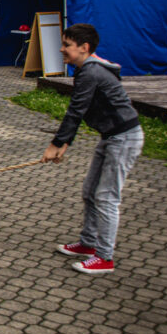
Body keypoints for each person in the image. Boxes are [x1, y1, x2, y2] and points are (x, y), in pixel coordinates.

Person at [43, 24, 143, 275]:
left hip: (124, 138)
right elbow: (81, 109)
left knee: (107, 197)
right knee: (90, 191)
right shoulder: (88, 69)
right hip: (110, 136)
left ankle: (105, 257)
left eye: (67, 45)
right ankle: (88, 243)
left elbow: (75, 111)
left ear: (84, 48)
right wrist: (64, 144)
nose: (62, 49)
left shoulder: (91, 72)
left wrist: (56, 144)